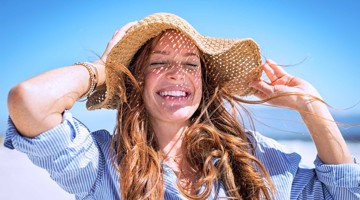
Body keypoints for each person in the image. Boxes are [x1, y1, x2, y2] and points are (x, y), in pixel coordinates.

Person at [5, 12, 359, 200]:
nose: (177, 74)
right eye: (158, 63)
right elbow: (30, 102)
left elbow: (340, 193)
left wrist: (311, 107)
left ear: (202, 84)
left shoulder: (251, 156)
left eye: (191, 64)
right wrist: (103, 69)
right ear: (137, 80)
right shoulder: (103, 165)